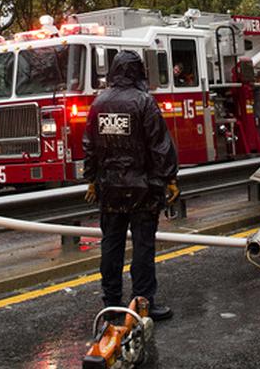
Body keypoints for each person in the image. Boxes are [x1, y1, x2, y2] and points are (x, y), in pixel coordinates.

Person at [83, 50, 180, 321]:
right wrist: (170, 180)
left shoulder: (98, 103)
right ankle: (143, 303)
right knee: (142, 247)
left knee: (111, 245)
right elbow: (160, 146)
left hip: (109, 188)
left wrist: (91, 179)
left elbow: (89, 146)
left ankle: (111, 303)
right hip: (143, 189)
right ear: (138, 72)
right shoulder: (144, 102)